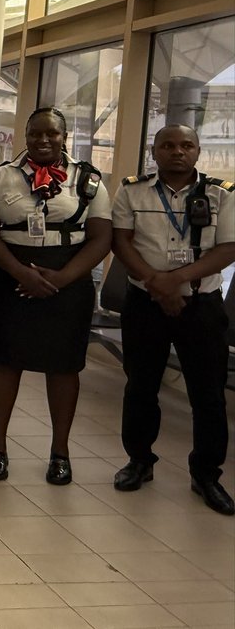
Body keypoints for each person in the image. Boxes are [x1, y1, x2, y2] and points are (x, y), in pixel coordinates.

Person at [0, 107, 112, 485]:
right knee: (6, 361)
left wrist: (63, 278)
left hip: (67, 281)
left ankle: (60, 452)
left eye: (52, 134)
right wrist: (21, 273)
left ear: (64, 136)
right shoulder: (1, 177)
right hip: (12, 276)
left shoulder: (88, 180)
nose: (43, 140)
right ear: (26, 134)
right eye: (36, 133)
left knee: (63, 366)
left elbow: (102, 237)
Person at [110, 125, 235, 515]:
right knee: (141, 385)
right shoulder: (133, 189)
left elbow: (229, 247)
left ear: (198, 151)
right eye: (168, 145)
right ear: (155, 150)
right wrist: (156, 285)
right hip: (145, 303)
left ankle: (206, 474)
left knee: (208, 393)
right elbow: (121, 242)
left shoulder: (222, 194)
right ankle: (140, 461)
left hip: (201, 305)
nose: (177, 152)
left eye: (186, 145)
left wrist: (175, 282)